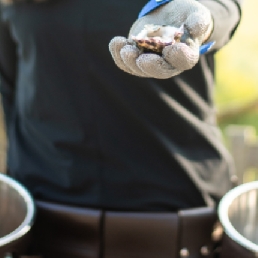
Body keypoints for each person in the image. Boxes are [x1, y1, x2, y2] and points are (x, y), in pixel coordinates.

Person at [0, 0, 243, 257]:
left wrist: (202, 20)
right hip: (41, 230)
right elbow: (11, 88)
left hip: (182, 229)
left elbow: (224, 8)